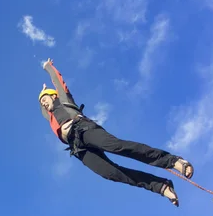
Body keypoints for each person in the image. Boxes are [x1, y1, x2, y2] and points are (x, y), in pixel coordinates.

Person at [38, 58, 193, 207]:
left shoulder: (64, 99)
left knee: (117, 147)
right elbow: (44, 112)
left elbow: (57, 80)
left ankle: (173, 161)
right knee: (109, 173)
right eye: (41, 103)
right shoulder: (50, 117)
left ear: (54, 95)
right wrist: (40, 98)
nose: (44, 103)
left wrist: (48, 67)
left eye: (45, 99)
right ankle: (161, 186)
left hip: (83, 129)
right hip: (77, 148)